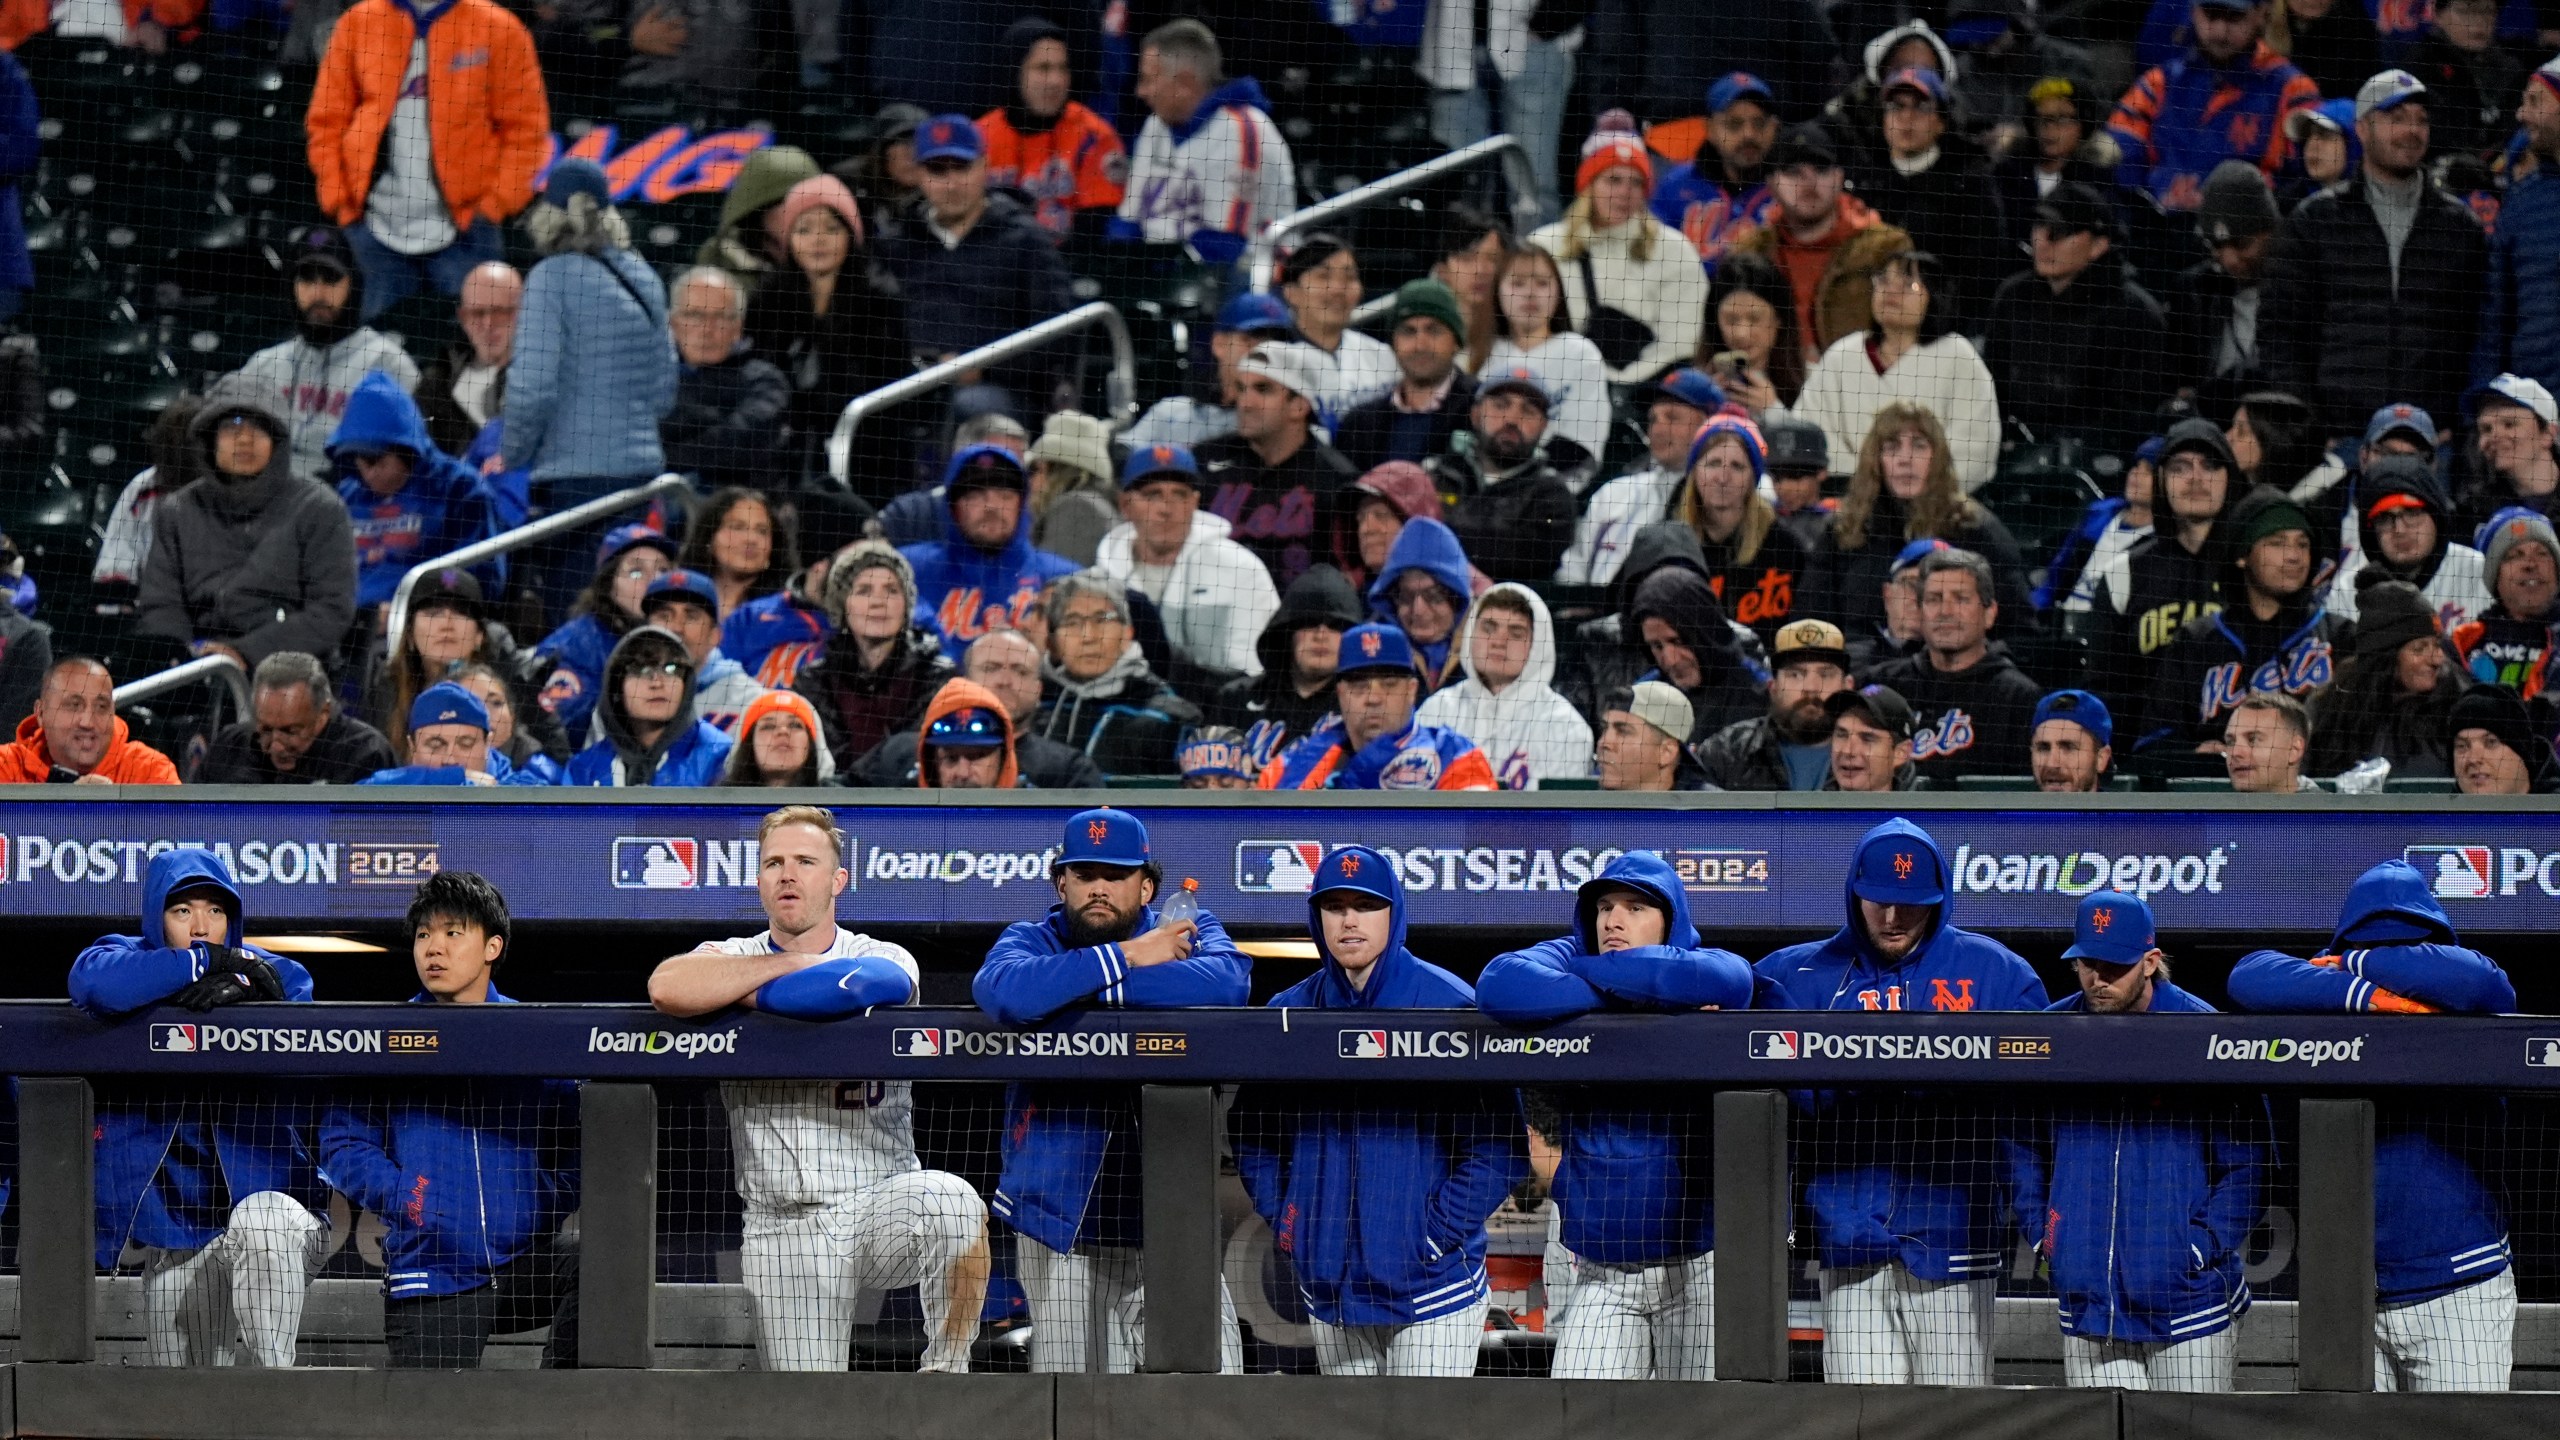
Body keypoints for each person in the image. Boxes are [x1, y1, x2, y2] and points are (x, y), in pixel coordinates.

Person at [646, 806, 988, 1373]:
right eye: (774, 862)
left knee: (952, 1203)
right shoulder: (733, 950)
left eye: (805, 861)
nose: (788, 874)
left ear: (837, 880)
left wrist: (743, 991)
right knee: (808, 1411)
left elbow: (840, 991)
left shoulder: (881, 954)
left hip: (880, 1202)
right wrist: (789, 965)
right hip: (783, 1224)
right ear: (758, 879)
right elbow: (668, 985)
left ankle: (947, 1375)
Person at [1754, 817, 2045, 1384]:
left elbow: (2027, 1120)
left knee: (1955, 1419)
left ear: (1939, 900)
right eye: (1878, 902)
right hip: (1849, 1235)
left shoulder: (1997, 974)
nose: (1892, 918)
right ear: (1854, 893)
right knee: (1861, 1416)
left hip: (1955, 1239)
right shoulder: (1797, 973)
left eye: (1910, 905)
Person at [1229, 846, 1524, 1376]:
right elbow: (1253, 1132)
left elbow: (1499, 1148)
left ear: (1394, 912)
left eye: (1365, 906)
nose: (1348, 920)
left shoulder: (1449, 1006)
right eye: (1334, 906)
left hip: (1431, 1290)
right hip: (1332, 1290)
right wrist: (1293, 1220)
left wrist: (1431, 1235)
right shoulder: (1289, 1013)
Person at [975, 808, 1251, 1372]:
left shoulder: (1190, 929)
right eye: (1084, 874)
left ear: (1146, 885)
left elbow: (1225, 983)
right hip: (1063, 1231)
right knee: (1075, 1410)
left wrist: (1078, 990)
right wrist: (1127, 956)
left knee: (1212, 1397)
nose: (1099, 888)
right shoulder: (1030, 938)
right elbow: (1005, 992)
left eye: (1116, 874)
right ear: (1062, 883)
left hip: (1173, 1227)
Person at [2228, 860, 2519, 1391]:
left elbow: (2484, 982)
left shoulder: (2466, 994)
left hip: (2457, 1286)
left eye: (2406, 946)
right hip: (2345, 1291)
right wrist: (2367, 993)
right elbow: (2246, 974)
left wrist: (2359, 962)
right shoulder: (2318, 999)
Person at [1475, 852, 1761, 1379]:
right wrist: (1621, 986)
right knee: (1579, 1414)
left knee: (1703, 1424)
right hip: (1603, 1274)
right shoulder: (1572, 952)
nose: (1613, 920)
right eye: (1605, 906)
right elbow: (1499, 983)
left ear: (1670, 920)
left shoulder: (1705, 963)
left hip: (1695, 1269)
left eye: (1634, 907)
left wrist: (1587, 988)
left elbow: (1734, 980)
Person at [68, 849, 329, 1367]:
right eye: (183, 911)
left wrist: (245, 982)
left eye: (215, 910)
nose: (202, 926)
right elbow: (92, 982)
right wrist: (203, 963)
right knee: (185, 1396)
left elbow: (294, 986)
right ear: (156, 916)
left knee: (262, 1225)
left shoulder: (273, 970)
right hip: (179, 1235)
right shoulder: (126, 955)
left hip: (276, 1211)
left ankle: (276, 1398)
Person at [2013, 892, 2269, 1393]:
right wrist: (2047, 1240)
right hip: (2091, 1310)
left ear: (2151, 962)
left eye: (2115, 966)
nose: (2098, 979)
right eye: (2088, 964)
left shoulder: (2206, 1036)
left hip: (2188, 1310)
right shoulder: (2050, 1034)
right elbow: (2021, 1147)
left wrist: (2197, 1249)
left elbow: (2247, 1166)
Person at [320, 872, 577, 1368]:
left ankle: (557, 1403)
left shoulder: (536, 1034)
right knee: (435, 1425)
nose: (433, 948)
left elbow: (584, 1138)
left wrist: (540, 1200)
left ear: (492, 946)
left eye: (452, 933)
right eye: (423, 935)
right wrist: (409, 1199)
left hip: (523, 1259)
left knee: (601, 1262)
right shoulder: (385, 1037)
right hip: (434, 1265)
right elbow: (344, 1144)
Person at [2262, 70, 2488, 439]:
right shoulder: (2314, 221)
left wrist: (2458, 421)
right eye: (2396, 119)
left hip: (2432, 438)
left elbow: (2477, 334)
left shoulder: (2461, 227)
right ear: (2363, 129)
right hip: (2339, 436)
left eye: (2421, 120)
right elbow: (2281, 333)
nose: (2411, 131)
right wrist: (2306, 427)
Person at [504, 159, 677, 619]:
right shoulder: (644, 277)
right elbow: (664, 393)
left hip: (574, 491)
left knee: (580, 620)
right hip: (642, 484)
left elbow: (532, 388)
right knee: (638, 616)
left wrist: (513, 453)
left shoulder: (549, 278)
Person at [305, 0, 544, 322]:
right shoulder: (358, 23)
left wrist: (492, 207)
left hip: (468, 231)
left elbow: (526, 131)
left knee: (475, 355)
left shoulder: (499, 27)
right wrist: (341, 202)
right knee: (372, 358)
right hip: (372, 230)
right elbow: (326, 123)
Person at [136, 373, 359, 674]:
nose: (244, 439)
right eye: (232, 427)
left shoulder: (320, 508)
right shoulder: (176, 511)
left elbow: (331, 610)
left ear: (277, 441)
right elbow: (161, 604)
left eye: (258, 428)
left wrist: (245, 653)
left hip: (293, 669)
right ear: (210, 438)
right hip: (194, 670)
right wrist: (183, 660)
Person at [875, 115, 1080, 412]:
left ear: (984, 166)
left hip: (1003, 391)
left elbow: (1058, 332)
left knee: (972, 404)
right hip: (910, 388)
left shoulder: (1024, 238)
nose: (951, 183)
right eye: (937, 170)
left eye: (961, 168)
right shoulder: (898, 243)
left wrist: (984, 368)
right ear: (919, 174)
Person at [739, 174, 908, 494]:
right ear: (788, 240)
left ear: (851, 235)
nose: (819, 240)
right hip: (787, 442)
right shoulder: (767, 300)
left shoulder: (879, 300)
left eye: (831, 228)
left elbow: (891, 390)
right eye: (805, 230)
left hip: (866, 446)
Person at [2140, 487, 2340, 757]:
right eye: (2277, 543)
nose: (2294, 556)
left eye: (2302, 544)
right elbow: (2153, 743)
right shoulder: (2196, 640)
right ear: (2242, 555)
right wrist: (2193, 754)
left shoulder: (2339, 636)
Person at [1802, 400, 2027, 639]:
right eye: (1892, 447)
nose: (1905, 459)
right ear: (1876, 460)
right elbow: (1810, 627)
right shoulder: (1843, 530)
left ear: (1937, 458)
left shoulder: (1975, 529)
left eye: (1919, 446)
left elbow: (2020, 631)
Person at [1981, 184, 2171, 458]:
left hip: (2090, 469)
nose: (2043, 241)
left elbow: (2128, 420)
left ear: (2098, 245)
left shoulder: (2134, 315)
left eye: (2059, 232)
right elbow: (1991, 391)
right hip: (2010, 456)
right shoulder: (2013, 297)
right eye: (2039, 227)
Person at [1794, 250, 2001, 493]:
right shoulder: (1843, 354)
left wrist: (1913, 488)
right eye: (1883, 281)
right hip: (1848, 501)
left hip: (1935, 509)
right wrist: (1868, 486)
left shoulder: (1958, 356)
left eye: (1907, 284)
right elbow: (1810, 432)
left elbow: (1975, 449)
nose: (1891, 290)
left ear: (1935, 295)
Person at [239, 230, 422, 485]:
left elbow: (412, 462)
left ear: (353, 285)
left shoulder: (387, 364)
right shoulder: (264, 366)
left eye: (330, 279)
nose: (318, 293)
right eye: (306, 280)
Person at [1526, 122, 1705, 383]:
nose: (1624, 192)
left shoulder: (1676, 251)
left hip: (1643, 391)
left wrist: (1613, 384)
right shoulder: (1544, 246)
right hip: (1552, 381)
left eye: (1636, 182)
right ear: (1589, 185)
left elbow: (1681, 342)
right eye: (1613, 180)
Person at [1111, 19, 1295, 266]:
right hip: (1163, 273)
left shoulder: (1245, 130)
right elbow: (1129, 219)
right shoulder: (1156, 124)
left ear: (1185, 84)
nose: (1140, 92)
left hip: (1239, 280)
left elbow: (1228, 247)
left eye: (1148, 79)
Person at [1092, 444, 1281, 680]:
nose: (1166, 509)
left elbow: (1253, 673)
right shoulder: (1102, 577)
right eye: (1153, 494)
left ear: (1194, 502)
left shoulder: (1241, 571)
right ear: (1126, 506)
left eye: (1179, 495)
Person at [2109, 0, 2318, 212]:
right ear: (2193, 10)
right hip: (2155, 228)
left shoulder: (2293, 90)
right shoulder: (2159, 82)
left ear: (2261, 13)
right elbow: (2118, 149)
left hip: (2243, 233)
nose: (2220, 31)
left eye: (2234, 17)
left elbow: (2306, 177)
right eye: (2211, 15)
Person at [1730, 124, 1912, 366]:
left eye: (1821, 168)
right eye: (1794, 172)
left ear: (1839, 177)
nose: (1809, 182)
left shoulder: (1885, 248)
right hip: (1774, 384)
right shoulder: (1750, 250)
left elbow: (1908, 332)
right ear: (1772, 184)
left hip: (1859, 387)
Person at [2089, 419, 2239, 702]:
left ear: (2230, 477)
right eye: (2179, 467)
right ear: (2161, 480)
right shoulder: (2123, 574)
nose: (2195, 478)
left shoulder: (2255, 567)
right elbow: (2104, 689)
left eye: (2209, 465)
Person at [328, 371, 502, 615]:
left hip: (424, 627)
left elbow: (478, 578)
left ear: (407, 450)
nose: (369, 473)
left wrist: (415, 608)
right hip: (343, 626)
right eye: (359, 460)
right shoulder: (347, 495)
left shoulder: (460, 488)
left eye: (376, 460)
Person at [1868, 546, 2044, 782]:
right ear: (1920, 611)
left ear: (1990, 613)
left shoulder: (2020, 698)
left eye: (1960, 599)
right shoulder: (1884, 686)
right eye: (1934, 599)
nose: (1945, 612)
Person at [1195, 342, 1359, 586]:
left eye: (1263, 389)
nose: (1245, 403)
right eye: (1241, 388)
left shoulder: (1337, 481)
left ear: (1299, 405)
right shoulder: (1205, 460)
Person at [1847, 67, 2006, 319]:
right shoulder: (1859, 179)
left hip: (1943, 328)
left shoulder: (1971, 183)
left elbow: (1982, 270)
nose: (1906, 118)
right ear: (1883, 118)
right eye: (1896, 107)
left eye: (1921, 107)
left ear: (1941, 121)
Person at [1258, 623, 1496, 790]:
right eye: (1360, 686)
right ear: (1340, 695)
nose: (1373, 698)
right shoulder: (1290, 765)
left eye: (1389, 684)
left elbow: (1478, 844)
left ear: (1411, 691)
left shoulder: (1455, 757)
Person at [899, 445, 1080, 662]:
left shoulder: (1064, 579)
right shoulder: (908, 569)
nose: (992, 507)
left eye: (1005, 496)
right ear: (953, 508)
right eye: (976, 495)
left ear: (1021, 506)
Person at [370, 566, 560, 764]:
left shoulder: (512, 681)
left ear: (480, 636)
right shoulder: (388, 686)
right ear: (409, 634)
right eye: (433, 613)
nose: (447, 624)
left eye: (461, 613)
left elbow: (553, 755)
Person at [852, 643, 1104, 788]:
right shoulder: (897, 754)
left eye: (1019, 670)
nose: (1005, 681)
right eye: (990, 668)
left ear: (1039, 689)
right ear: (966, 680)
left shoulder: (1067, 769)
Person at [1418, 0, 1582, 224]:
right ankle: (1463, 258)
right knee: (1459, 189)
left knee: (1531, 188)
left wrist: (1549, 23)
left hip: (1533, 46)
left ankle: (1533, 257)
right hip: (1452, 48)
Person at [1560, 370, 1729, 587]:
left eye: (1672, 417)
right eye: (1653, 419)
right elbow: (1573, 569)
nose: (1657, 429)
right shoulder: (1614, 493)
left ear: (1710, 425)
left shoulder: (1737, 495)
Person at [1415, 582, 1591, 789]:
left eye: (1516, 633)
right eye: (1488, 628)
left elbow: (1562, 818)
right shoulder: (1437, 710)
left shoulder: (1566, 727)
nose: (1499, 641)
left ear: (1536, 647)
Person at [788, 541, 950, 765]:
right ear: (842, 607)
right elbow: (821, 763)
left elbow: (912, 759)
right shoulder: (814, 681)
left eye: (891, 591)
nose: (878, 602)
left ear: (906, 607)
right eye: (864, 591)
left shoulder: (938, 677)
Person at [1027, 574, 1199, 776]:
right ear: (1053, 641)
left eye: (1103, 619)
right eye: (1072, 622)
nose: (1088, 637)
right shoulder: (1034, 710)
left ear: (1127, 633)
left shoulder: (1169, 719)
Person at [976, 17, 1127, 245]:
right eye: (1043, 68)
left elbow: (1095, 231)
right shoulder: (979, 136)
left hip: (1069, 267)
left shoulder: (1093, 135)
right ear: (1014, 72)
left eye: (1062, 68)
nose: (1056, 80)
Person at [1432, 364, 1587, 582]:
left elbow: (1525, 558)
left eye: (1528, 411)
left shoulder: (1554, 496)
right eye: (1501, 405)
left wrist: (1441, 537)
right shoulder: (1435, 476)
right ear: (1475, 415)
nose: (1513, 420)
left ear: (1543, 426)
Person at [1209, 563, 1362, 770]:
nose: (1321, 635)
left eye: (1336, 625)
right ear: (1287, 633)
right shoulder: (1235, 699)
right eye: (1309, 622)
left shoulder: (1363, 706)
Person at [2309, 577, 2466, 778]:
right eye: (2419, 649)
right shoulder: (2330, 707)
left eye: (2437, 645)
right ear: (2384, 658)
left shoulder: (2457, 706)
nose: (2437, 659)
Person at [532, 523, 675, 741]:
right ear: (609, 584)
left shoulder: (675, 639)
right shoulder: (575, 644)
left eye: (663, 570)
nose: (653, 581)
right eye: (636, 572)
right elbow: (560, 731)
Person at [1670, 413, 1806, 638]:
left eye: (1737, 466)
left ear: (1753, 478)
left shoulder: (1784, 547)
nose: (1723, 477)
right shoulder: (1669, 544)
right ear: (1694, 473)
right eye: (1713, 463)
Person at [2161, 164, 2281, 411]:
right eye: (2217, 247)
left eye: (2242, 244)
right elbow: (2176, 382)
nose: (2230, 260)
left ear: (2273, 231)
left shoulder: (2306, 288)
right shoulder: (2195, 291)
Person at [1333, 279, 1482, 475]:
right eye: (1408, 331)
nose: (1420, 345)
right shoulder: (1359, 424)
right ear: (1393, 343)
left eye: (1434, 330)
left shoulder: (1483, 409)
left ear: (1456, 341)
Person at [2475, 61, 2560, 402]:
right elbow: (2494, 322)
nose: (2522, 114)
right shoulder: (2520, 205)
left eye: (2535, 101)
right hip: (2538, 415)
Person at [662, 268, 789, 493]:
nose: (707, 329)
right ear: (673, 323)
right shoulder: (654, 377)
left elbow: (741, 444)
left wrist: (665, 453)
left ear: (737, 328)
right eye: (694, 315)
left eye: (720, 317)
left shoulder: (765, 381)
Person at [2328, 456, 2493, 627]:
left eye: (2412, 512)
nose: (2399, 529)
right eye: (2384, 518)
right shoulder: (2347, 591)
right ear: (2370, 531)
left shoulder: (2479, 572)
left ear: (2436, 515)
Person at [1480, 250, 1612, 460]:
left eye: (1542, 283)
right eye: (1518, 283)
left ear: (1558, 292)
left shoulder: (1580, 354)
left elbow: (1581, 443)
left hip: (1554, 485)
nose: (1530, 293)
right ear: (1497, 292)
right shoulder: (1479, 352)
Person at [1124, 293, 1296, 452]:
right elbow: (1121, 453)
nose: (1264, 350)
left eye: (1276, 343)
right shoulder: (1171, 413)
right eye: (1249, 340)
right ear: (1219, 344)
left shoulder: (1286, 421)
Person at [562, 625, 733, 786]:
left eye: (671, 668)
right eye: (640, 669)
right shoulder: (583, 769)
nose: (657, 683)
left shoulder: (719, 755)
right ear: (616, 687)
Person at [1694, 618, 1853, 790]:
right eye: (1796, 674)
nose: (1811, 688)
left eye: (1825, 675)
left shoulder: (1870, 755)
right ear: (1773, 687)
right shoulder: (1725, 752)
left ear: (1848, 686)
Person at [1650, 72, 1781, 272]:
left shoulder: (1790, 188)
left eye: (1759, 123)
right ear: (1710, 129)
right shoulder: (1673, 187)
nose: (1749, 134)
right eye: (1734, 124)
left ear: (1774, 128)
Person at [198, 650, 394, 785]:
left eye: (290, 731)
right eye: (265, 730)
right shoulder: (229, 747)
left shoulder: (365, 755)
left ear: (323, 713)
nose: (276, 746)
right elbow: (188, 820)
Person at [1990, 76, 2120, 258]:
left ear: (2084, 125)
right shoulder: (2005, 176)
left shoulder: (2099, 183)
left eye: (2062, 119)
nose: (2049, 129)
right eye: (2042, 119)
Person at [0, 655, 180, 784]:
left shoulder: (149, 769)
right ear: (40, 713)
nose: (88, 722)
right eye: (73, 705)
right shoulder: (6, 766)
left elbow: (178, 832)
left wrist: (112, 812)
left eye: (101, 707)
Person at [1273, 233, 1398, 414]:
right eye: (1323, 276)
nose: (1338, 289)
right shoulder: (1270, 360)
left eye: (1350, 278)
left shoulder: (1384, 358)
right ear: (1291, 293)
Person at [637, 569, 765, 737]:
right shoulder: (625, 694)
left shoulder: (750, 700)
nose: (676, 628)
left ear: (715, 636)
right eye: (664, 616)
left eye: (691, 617)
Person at [415, 263, 520, 457]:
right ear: (462, 317)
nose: (488, 324)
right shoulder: (436, 386)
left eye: (499, 312)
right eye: (478, 313)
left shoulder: (549, 378)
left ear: (521, 312)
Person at [2453, 507, 2560, 697]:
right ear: (2494, 577)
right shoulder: (2463, 643)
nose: (2530, 564)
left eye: (2542, 553)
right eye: (2515, 556)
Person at [362, 680, 536, 786]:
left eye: (465, 744)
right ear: (412, 746)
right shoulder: (395, 787)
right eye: (435, 745)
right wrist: (453, 777)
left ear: (487, 744)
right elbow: (361, 793)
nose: (450, 759)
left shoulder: (520, 786)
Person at [1368, 517, 1476, 688]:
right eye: (1405, 597)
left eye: (1433, 597)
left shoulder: (1489, 653)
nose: (1417, 610)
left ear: (1458, 601)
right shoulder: (1372, 654)